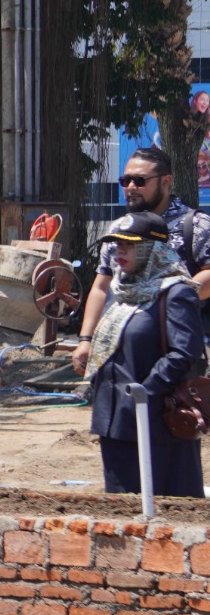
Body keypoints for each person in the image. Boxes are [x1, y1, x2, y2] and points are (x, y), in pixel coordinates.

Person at [80, 212, 206, 498]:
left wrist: (145, 391)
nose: (119, 251)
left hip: (158, 423)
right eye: (117, 244)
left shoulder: (175, 293)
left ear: (154, 249)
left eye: (130, 245)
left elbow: (183, 352)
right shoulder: (124, 291)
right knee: (121, 512)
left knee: (167, 512)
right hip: (116, 423)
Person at [75, 147, 210, 374]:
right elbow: (101, 287)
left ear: (166, 182)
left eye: (139, 180)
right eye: (125, 180)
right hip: (121, 348)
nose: (130, 187)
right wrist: (86, 339)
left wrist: (168, 302)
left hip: (175, 348)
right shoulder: (119, 230)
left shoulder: (195, 225)